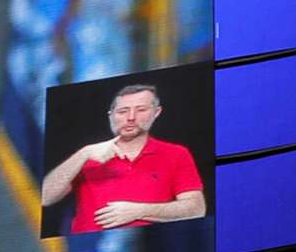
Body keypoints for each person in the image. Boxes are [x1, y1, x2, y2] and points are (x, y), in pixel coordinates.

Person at [40, 82, 206, 236]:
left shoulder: (176, 154)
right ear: (111, 116)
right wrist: (84, 154)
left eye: (141, 110)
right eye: (123, 111)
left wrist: (138, 211)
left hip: (156, 248)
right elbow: (46, 197)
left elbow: (196, 209)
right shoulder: (87, 156)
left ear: (156, 113)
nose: (131, 117)